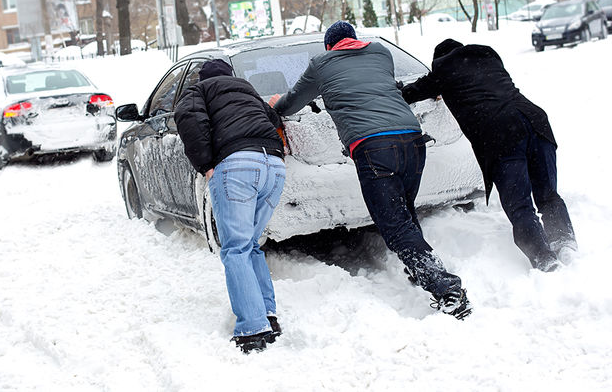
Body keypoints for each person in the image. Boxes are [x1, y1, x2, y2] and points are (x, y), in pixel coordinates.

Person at [269, 21, 471, 320]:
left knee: (394, 225)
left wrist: (276, 105)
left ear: (329, 46)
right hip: (413, 142)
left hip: (374, 148)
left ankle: (445, 287)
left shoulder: (321, 64)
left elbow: (292, 102)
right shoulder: (380, 53)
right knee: (403, 212)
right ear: (355, 40)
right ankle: (420, 269)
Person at [401, 39, 576, 271]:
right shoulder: (489, 56)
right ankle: (564, 241)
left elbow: (409, 93)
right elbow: (479, 82)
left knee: (520, 204)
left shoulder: (443, 71)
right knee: (548, 194)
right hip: (535, 121)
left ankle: (544, 259)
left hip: (502, 134)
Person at [174, 59, 286, 353]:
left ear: (203, 77)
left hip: (238, 166)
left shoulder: (198, 91)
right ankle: (267, 315)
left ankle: (252, 328)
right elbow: (273, 120)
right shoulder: (248, 90)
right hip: (274, 166)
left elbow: (188, 119)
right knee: (250, 245)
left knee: (235, 248)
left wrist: (205, 163)